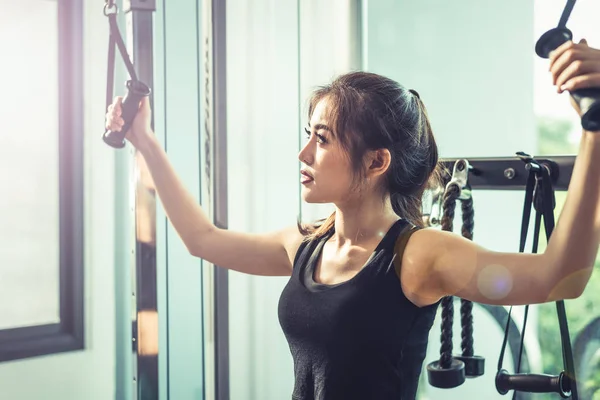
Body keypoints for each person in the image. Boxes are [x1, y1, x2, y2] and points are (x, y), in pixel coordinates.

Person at [105, 39, 600, 399]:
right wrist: (145, 141)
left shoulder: (418, 255)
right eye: (309, 134)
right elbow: (202, 240)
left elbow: (560, 277)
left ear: (376, 161)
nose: (303, 153)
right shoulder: (307, 244)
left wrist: (594, 130)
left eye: (321, 140)